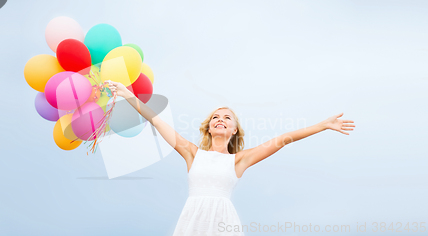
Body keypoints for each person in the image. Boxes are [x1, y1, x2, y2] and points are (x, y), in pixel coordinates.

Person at [107, 81, 355, 235]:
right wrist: (128, 95)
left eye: (227, 118)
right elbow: (157, 120)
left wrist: (322, 126)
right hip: (192, 220)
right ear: (209, 127)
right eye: (216, 117)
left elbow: (283, 139)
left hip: (224, 223)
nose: (220, 120)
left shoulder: (238, 161)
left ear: (234, 129)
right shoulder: (192, 153)